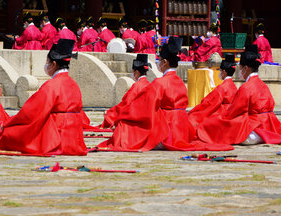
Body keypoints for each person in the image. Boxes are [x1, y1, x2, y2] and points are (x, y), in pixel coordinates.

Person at [98, 36, 232, 151]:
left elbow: (143, 107)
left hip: (167, 131)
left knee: (125, 127)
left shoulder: (160, 83)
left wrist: (118, 115)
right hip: (183, 130)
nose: (158, 62)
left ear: (165, 62)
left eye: (159, 59)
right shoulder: (180, 82)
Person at [0, 39, 87, 156]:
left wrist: (9, 123)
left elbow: (30, 113)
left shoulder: (52, 85)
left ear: (54, 64)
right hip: (75, 139)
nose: (46, 64)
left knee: (11, 134)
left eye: (47, 62)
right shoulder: (74, 84)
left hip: (56, 136)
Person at [196, 44, 281, 145]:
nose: (240, 71)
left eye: (240, 68)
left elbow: (233, 112)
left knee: (212, 125)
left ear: (246, 68)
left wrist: (219, 119)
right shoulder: (263, 85)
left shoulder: (246, 87)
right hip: (270, 127)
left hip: (255, 130)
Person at [99, 54, 151, 129]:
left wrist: (110, 113)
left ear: (137, 72)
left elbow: (125, 104)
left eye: (133, 72)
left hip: (135, 119)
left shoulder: (137, 86)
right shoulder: (150, 84)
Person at [188, 54, 238, 128]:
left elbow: (209, 103)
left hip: (222, 115)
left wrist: (198, 108)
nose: (219, 72)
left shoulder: (222, 87)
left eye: (220, 71)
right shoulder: (234, 86)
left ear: (224, 72)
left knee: (194, 119)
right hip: (231, 114)